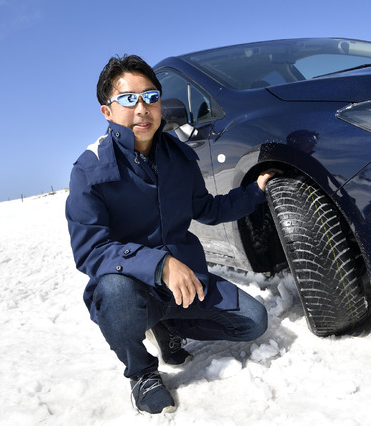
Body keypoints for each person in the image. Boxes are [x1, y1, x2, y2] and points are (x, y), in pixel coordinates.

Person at [65, 54, 277, 415]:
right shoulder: (90, 169)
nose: (142, 108)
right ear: (107, 112)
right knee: (113, 292)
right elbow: (91, 251)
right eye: (129, 98)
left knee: (253, 322)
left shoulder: (179, 157)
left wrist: (255, 191)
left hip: (184, 282)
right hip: (131, 286)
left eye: (151, 96)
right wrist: (160, 264)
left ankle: (168, 326)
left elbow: (207, 209)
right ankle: (142, 374)